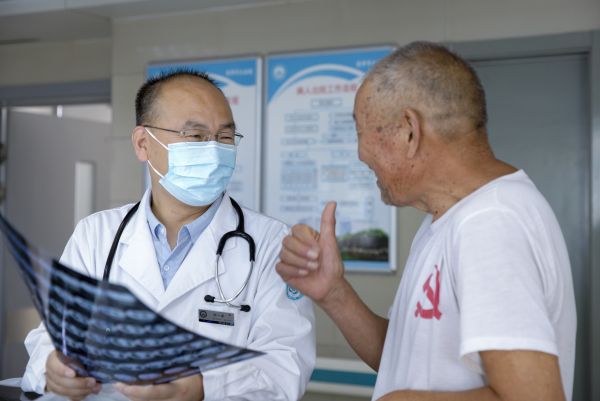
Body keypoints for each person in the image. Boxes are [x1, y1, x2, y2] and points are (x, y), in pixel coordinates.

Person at [277, 41, 576, 401]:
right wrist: (333, 292)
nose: (360, 154)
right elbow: (404, 357)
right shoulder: (450, 218)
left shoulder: (490, 223)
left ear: (409, 131)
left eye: (361, 131)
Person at [21, 70, 315, 401]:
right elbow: (51, 334)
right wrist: (52, 369)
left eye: (225, 136)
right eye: (196, 135)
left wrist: (201, 386)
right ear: (143, 143)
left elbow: (285, 363)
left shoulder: (271, 242)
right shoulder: (96, 234)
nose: (214, 150)